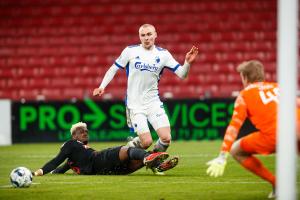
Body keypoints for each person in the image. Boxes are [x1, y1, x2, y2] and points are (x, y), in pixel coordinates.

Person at [93, 24, 198, 154]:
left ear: (155, 35)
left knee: (166, 138)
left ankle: (153, 160)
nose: (146, 38)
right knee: (146, 142)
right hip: (135, 104)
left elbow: (182, 74)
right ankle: (126, 152)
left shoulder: (163, 54)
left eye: (149, 34)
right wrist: (102, 86)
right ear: (139, 37)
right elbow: (113, 68)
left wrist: (187, 62)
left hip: (153, 102)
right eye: (143, 35)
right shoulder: (130, 51)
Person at [206, 60, 300, 199]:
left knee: (236, 150)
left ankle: (277, 183)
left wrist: (222, 155)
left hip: (275, 136)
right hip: (296, 131)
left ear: (244, 77)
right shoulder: (279, 87)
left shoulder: (244, 95)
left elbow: (234, 127)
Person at [33, 122, 178, 176]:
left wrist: (53, 172)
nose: (85, 132)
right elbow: (56, 161)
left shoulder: (75, 158)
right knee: (124, 150)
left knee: (134, 163)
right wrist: (39, 172)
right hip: (99, 160)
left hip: (105, 171)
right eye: (81, 131)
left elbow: (60, 169)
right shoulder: (71, 144)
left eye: (86, 131)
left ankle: (156, 165)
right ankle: (148, 157)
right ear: (73, 135)